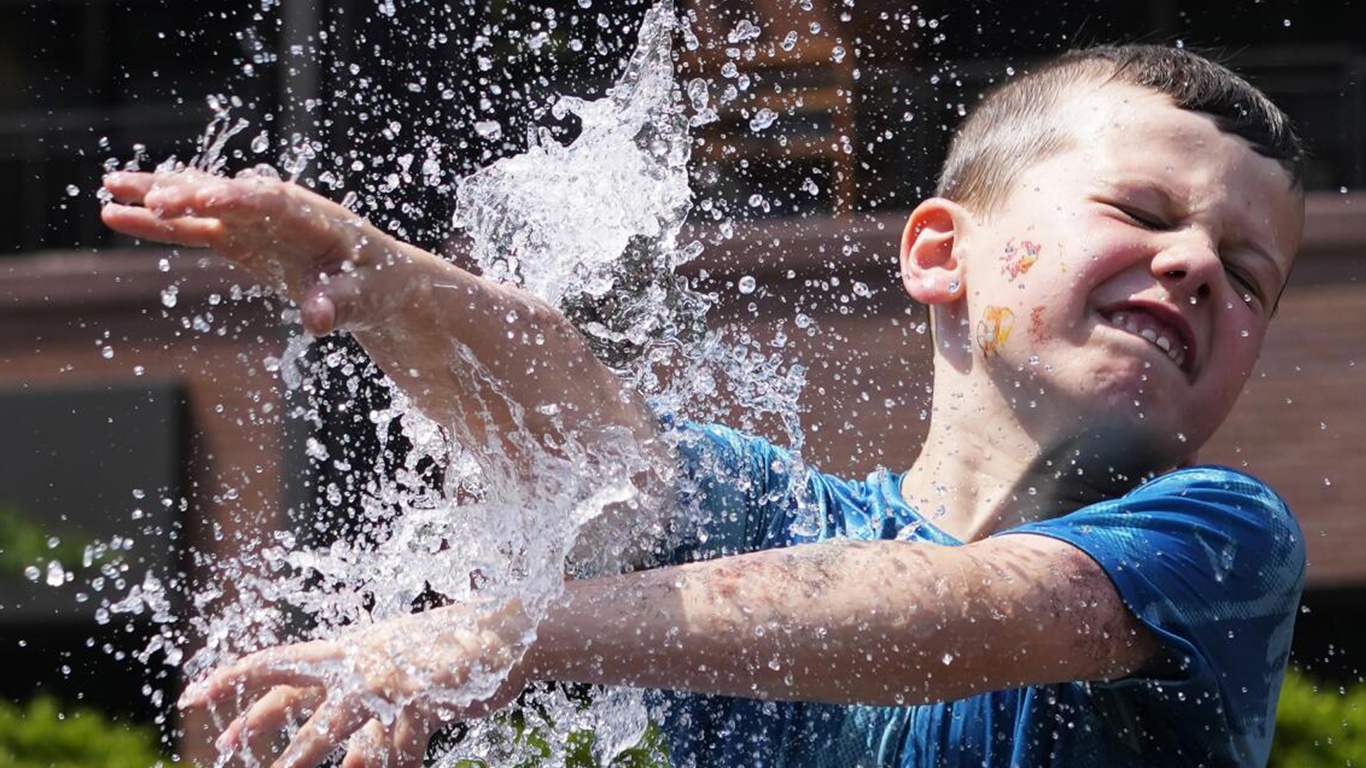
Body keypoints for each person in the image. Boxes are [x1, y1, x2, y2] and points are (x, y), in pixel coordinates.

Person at [101, 44, 1306, 768]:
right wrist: (395, 289)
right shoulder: (784, 518)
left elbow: (960, 613)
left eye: (1246, 273)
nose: (1197, 263)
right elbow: (577, 438)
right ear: (941, 252)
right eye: (1143, 215)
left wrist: (496, 635)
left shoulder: (1218, 539)